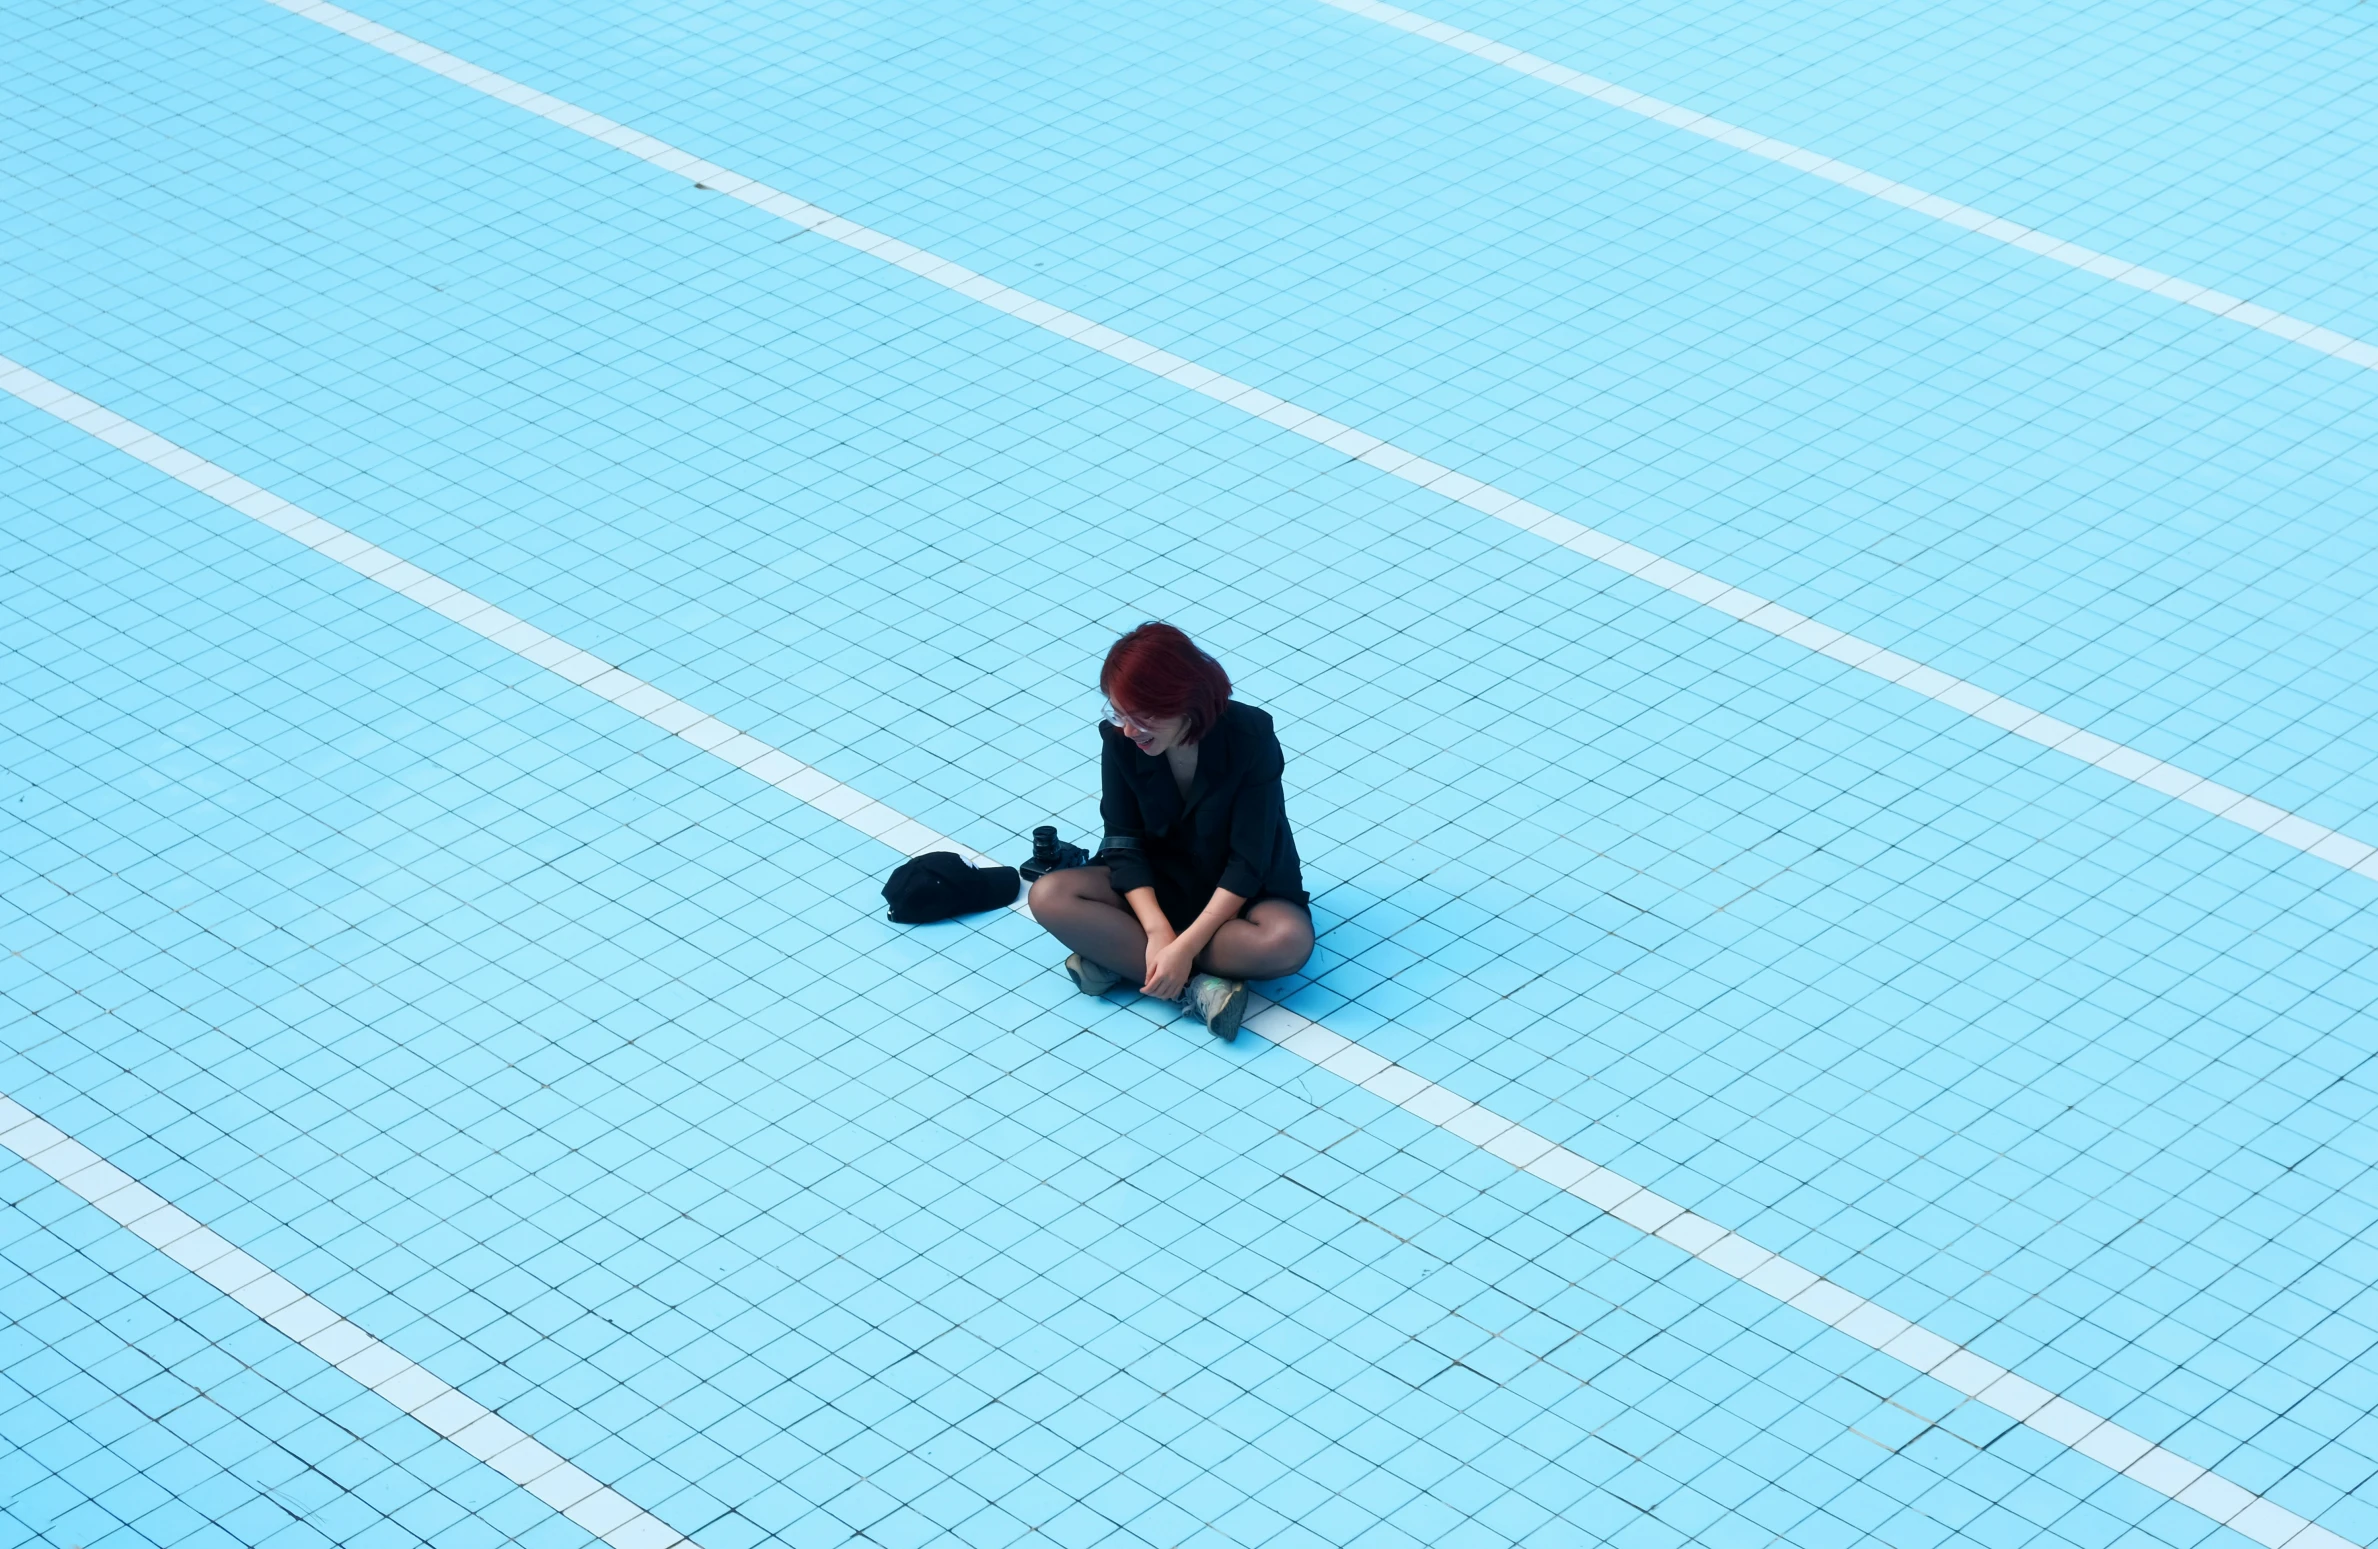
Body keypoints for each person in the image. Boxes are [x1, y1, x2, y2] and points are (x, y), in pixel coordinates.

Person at [1029, 623, 1314, 1040]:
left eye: (1142, 717)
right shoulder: (1121, 739)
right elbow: (1122, 841)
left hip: (1242, 895)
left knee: (1286, 941)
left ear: (1185, 701)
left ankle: (1122, 957)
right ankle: (1198, 988)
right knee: (1049, 895)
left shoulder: (1251, 736)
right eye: (1118, 712)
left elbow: (1249, 859)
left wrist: (1184, 946)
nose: (1128, 730)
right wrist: (1157, 930)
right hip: (1156, 885)